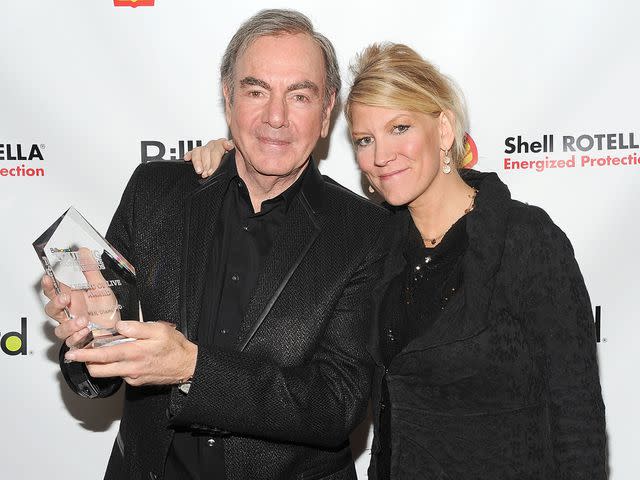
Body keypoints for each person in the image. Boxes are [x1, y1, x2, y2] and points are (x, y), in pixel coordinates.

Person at [188, 43, 607, 479]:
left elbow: (577, 420)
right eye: (365, 140)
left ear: (443, 130)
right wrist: (229, 153)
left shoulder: (524, 239)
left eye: (400, 127)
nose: (381, 155)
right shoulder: (374, 241)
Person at [41, 9, 388, 480]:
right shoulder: (156, 192)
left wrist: (191, 369)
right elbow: (101, 362)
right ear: (228, 100)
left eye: (299, 95)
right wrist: (90, 339)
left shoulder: (365, 232)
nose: (276, 117)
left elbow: (335, 405)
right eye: (256, 90)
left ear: (327, 111)